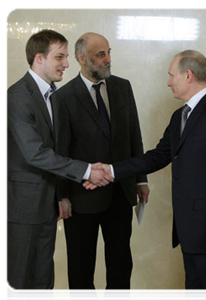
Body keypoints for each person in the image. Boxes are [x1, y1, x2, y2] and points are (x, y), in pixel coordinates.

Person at [89, 50, 206, 300]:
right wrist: (111, 170)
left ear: (188, 75)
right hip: (190, 231)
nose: (168, 82)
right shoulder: (179, 116)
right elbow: (157, 156)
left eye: (171, 75)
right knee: (193, 294)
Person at [5, 29, 110, 300]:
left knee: (43, 282)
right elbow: (35, 154)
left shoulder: (53, 96)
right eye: (59, 57)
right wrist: (87, 170)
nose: (66, 63)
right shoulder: (17, 95)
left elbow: (58, 150)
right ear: (39, 58)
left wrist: (61, 194)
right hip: (22, 209)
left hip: (47, 206)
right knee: (15, 284)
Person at [54, 32, 149, 300]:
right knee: (81, 269)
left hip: (120, 193)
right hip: (81, 198)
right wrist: (62, 195)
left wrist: (140, 179)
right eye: (100, 55)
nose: (107, 60)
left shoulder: (122, 87)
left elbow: (134, 135)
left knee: (121, 266)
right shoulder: (63, 98)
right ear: (82, 58)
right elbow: (60, 151)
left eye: (109, 52)